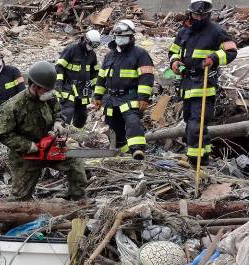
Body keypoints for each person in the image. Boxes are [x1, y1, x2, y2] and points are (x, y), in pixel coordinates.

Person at [0, 61, 87, 201]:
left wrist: (58, 122)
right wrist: (28, 145)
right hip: (25, 155)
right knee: (20, 198)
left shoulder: (48, 96)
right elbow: (3, 134)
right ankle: (10, 215)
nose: (49, 93)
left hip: (49, 145)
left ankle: (78, 197)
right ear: (35, 87)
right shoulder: (13, 107)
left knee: (75, 159)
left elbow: (58, 112)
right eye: (46, 90)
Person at [168, 0, 237, 166]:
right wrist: (175, 62)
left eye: (203, 15)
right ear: (190, 12)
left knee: (195, 126)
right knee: (191, 124)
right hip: (186, 84)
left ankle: (194, 161)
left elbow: (231, 50)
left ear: (209, 14)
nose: (199, 18)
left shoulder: (216, 31)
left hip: (205, 85)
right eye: (196, 14)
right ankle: (204, 159)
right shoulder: (184, 30)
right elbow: (173, 51)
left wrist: (214, 58)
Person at [93, 19, 154, 161]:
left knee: (133, 122)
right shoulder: (109, 56)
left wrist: (143, 98)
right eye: (118, 36)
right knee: (113, 127)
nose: (120, 39)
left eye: (123, 36)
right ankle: (123, 152)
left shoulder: (140, 54)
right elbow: (102, 78)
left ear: (131, 37)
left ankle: (137, 151)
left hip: (129, 98)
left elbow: (146, 76)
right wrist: (97, 96)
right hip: (111, 99)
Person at [55, 30, 100, 128]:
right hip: (68, 87)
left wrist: (96, 90)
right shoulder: (72, 49)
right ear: (85, 40)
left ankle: (75, 135)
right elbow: (59, 66)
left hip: (83, 89)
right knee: (67, 112)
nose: (91, 48)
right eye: (90, 45)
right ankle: (60, 135)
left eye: (94, 46)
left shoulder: (92, 54)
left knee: (82, 115)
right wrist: (59, 82)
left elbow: (94, 73)